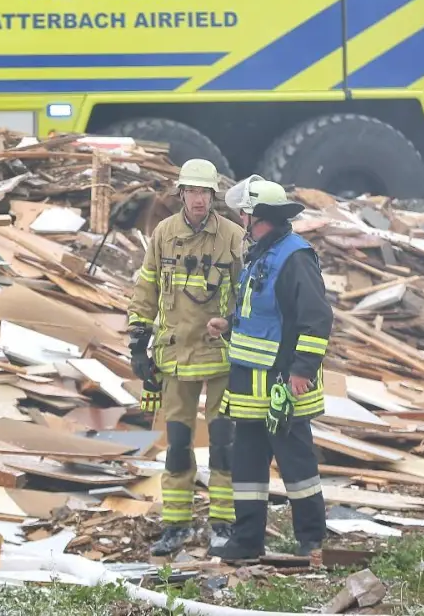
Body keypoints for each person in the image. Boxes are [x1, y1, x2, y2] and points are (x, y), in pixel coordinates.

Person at [211, 174, 332, 563]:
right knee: (246, 465)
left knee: (297, 466)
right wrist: (229, 324)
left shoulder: (295, 256)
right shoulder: (261, 252)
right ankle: (247, 541)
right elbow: (261, 311)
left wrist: (302, 370)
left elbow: (316, 320)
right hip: (249, 383)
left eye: (243, 215)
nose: (240, 222)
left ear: (255, 216)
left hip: (283, 383)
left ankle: (312, 540)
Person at [128, 158, 245, 557]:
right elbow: (147, 286)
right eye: (192, 191)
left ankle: (224, 524)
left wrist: (230, 322)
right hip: (175, 355)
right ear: (181, 194)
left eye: (205, 192)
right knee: (178, 444)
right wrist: (137, 338)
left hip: (220, 356)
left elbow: (247, 292)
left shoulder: (231, 235)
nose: (198, 199)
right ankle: (176, 525)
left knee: (224, 443)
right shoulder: (164, 233)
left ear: (214, 196)